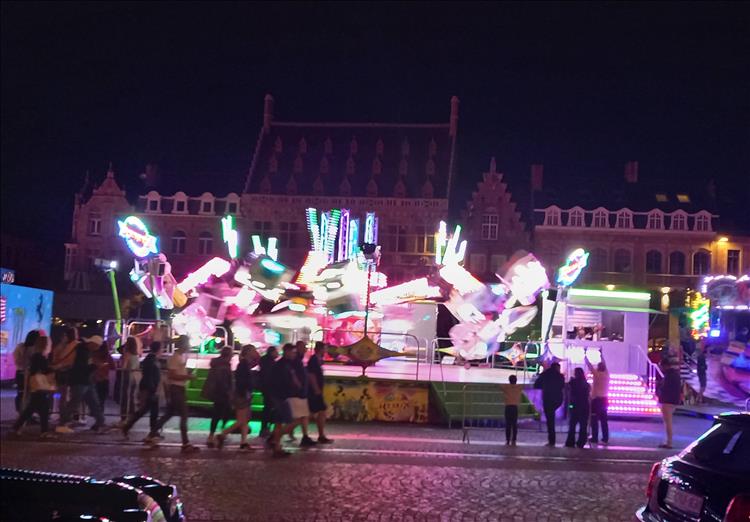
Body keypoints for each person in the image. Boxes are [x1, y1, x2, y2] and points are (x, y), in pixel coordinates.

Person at [149, 336, 200, 453]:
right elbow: (172, 375)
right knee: (184, 414)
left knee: (169, 414)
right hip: (176, 388)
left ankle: (151, 435)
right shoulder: (175, 358)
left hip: (179, 388)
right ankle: (185, 443)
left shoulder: (179, 357)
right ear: (183, 345)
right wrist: (188, 376)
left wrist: (187, 373)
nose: (189, 347)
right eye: (187, 344)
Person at [57, 336, 107, 433]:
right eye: (97, 346)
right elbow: (81, 369)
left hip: (83, 381)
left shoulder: (82, 351)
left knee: (83, 402)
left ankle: (100, 422)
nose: (97, 348)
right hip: (81, 381)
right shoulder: (83, 353)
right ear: (93, 344)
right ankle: (62, 423)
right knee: (80, 402)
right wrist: (95, 366)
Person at [217, 345, 260, 450]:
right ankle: (223, 435)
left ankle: (243, 442)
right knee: (242, 420)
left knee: (245, 420)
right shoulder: (244, 365)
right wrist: (246, 392)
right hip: (242, 395)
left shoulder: (245, 364)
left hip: (243, 394)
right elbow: (242, 382)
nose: (255, 352)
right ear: (249, 352)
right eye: (253, 350)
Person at [13, 336, 55, 437]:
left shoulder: (36, 355)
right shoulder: (39, 356)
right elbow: (44, 370)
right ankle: (44, 431)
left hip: (36, 386)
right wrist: (54, 368)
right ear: (46, 345)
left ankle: (17, 427)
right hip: (39, 385)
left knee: (33, 408)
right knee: (41, 408)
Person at [121, 341, 163, 440]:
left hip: (150, 388)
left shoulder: (151, 359)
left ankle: (152, 431)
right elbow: (149, 376)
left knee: (151, 410)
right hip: (149, 388)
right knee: (146, 410)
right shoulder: (151, 360)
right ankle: (129, 426)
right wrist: (152, 389)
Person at [268, 343, 302, 457]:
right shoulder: (282, 365)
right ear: (287, 352)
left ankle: (277, 445)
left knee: (278, 423)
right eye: (293, 352)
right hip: (282, 397)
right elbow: (283, 382)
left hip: (280, 396)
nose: (294, 354)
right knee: (292, 421)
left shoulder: (285, 364)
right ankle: (276, 438)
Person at [203, 346, 234, 448]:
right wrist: (228, 392)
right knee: (222, 413)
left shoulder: (218, 364)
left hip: (217, 392)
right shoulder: (224, 366)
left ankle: (215, 434)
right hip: (222, 393)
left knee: (218, 413)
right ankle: (219, 434)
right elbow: (223, 381)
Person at [307, 342, 333, 444]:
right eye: (325, 348)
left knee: (315, 413)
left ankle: (321, 435)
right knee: (320, 411)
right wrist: (316, 389)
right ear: (321, 349)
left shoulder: (318, 359)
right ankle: (321, 435)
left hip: (316, 390)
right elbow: (311, 375)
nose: (326, 351)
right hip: (314, 391)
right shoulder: (314, 360)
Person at [534, 361, 565, 447]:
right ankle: (552, 440)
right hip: (557, 400)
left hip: (548, 399)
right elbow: (562, 386)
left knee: (550, 420)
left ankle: (552, 440)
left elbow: (536, 385)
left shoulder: (545, 375)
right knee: (551, 419)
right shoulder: (560, 376)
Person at [51, 327, 78, 417]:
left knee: (62, 395)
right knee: (67, 395)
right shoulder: (75, 346)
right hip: (70, 373)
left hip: (62, 373)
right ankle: (66, 415)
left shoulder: (61, 346)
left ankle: (63, 414)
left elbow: (55, 358)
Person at [292, 341, 315, 447]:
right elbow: (294, 375)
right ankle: (277, 435)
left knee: (302, 416)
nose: (305, 350)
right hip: (299, 392)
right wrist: (300, 387)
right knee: (302, 416)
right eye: (303, 347)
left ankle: (305, 436)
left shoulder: (298, 360)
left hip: (300, 391)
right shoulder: (296, 360)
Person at [657, 357, 682, 449]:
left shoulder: (669, 376)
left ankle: (669, 442)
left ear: (665, 366)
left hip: (667, 400)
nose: (660, 368)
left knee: (667, 422)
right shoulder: (675, 375)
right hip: (673, 400)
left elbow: (665, 389)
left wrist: (661, 396)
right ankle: (668, 441)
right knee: (668, 421)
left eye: (661, 366)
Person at [13, 330, 40, 413]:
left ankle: (21, 412)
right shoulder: (35, 349)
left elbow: (16, 360)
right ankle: (25, 413)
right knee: (28, 395)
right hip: (29, 374)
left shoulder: (20, 347)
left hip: (20, 373)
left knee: (21, 394)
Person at [586, 355, 610, 445]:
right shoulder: (607, 374)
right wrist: (601, 355)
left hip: (596, 400)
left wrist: (585, 357)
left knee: (594, 419)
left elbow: (589, 366)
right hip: (605, 399)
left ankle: (595, 437)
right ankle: (605, 438)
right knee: (604, 420)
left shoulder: (596, 374)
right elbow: (605, 365)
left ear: (598, 368)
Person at [565, 367, 591, 448]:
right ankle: (581, 442)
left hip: (575, 405)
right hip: (584, 406)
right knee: (583, 426)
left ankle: (570, 441)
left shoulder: (573, 382)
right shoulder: (586, 384)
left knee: (572, 424)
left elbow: (567, 389)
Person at [119, 337, 141, 422]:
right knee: (132, 396)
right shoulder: (136, 355)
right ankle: (132, 414)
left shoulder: (127, 354)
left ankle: (124, 415)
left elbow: (124, 366)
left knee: (125, 396)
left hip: (127, 375)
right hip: (135, 377)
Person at [258, 345, 278, 438]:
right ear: (272, 352)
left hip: (265, 388)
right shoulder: (270, 362)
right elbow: (270, 376)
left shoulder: (264, 360)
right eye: (276, 352)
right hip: (269, 388)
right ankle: (266, 428)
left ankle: (265, 428)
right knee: (269, 408)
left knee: (267, 408)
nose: (277, 354)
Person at [92, 342, 114, 410]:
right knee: (102, 399)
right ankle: (100, 414)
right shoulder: (108, 356)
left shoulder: (94, 355)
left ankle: (96, 412)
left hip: (96, 379)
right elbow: (113, 367)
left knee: (95, 398)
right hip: (105, 379)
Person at [503, 374, 522, 446]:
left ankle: (507, 440)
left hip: (508, 407)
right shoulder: (519, 387)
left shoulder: (506, 387)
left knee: (508, 424)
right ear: (516, 381)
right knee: (514, 424)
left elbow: (497, 386)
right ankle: (514, 439)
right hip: (515, 407)